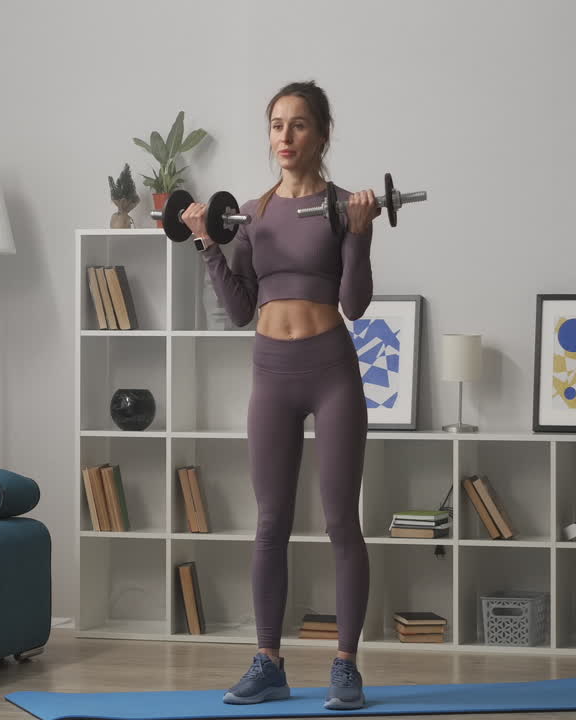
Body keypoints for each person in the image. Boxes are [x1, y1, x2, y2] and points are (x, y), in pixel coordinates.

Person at [182, 80, 378, 710]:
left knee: (341, 521)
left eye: (297, 125)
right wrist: (209, 244)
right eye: (275, 126)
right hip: (270, 370)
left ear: (321, 132)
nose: (284, 138)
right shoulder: (251, 213)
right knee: (270, 523)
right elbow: (240, 311)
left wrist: (362, 233)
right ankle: (269, 662)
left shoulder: (346, 204)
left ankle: (345, 666)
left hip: (330, 369)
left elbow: (353, 304)